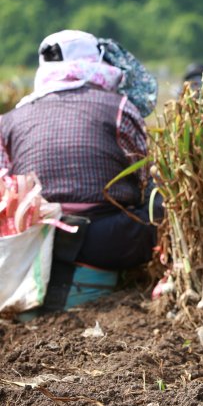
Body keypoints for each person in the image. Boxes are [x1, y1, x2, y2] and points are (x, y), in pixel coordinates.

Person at [0, 30, 162, 315]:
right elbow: (143, 179)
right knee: (160, 200)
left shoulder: (11, 119)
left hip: (32, 244)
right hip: (105, 242)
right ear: (95, 61)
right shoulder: (118, 107)